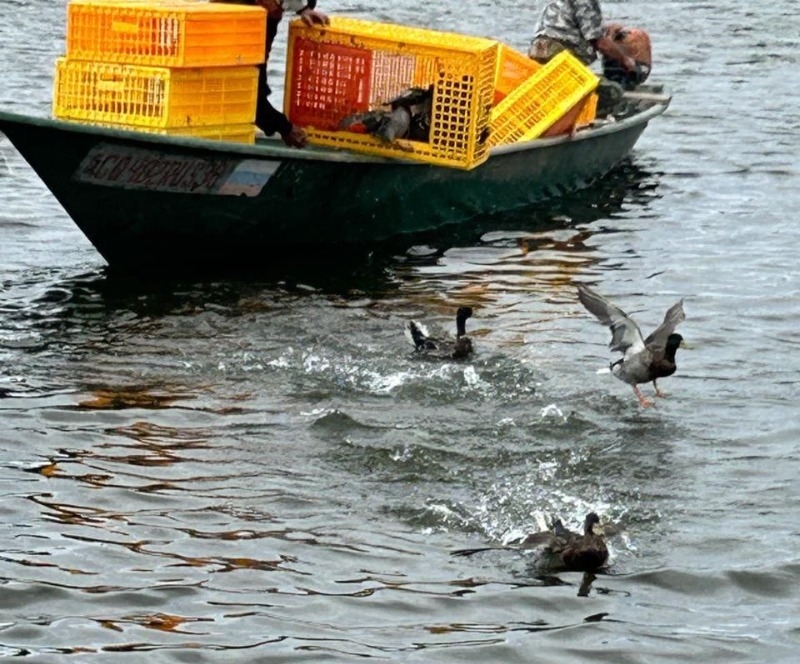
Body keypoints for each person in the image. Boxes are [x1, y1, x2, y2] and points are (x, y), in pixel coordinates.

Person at [214, 0, 330, 147]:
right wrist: (285, 128)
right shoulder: (248, 29)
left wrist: (303, 10)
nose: (280, 13)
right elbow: (246, 97)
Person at [528, 0, 649, 114]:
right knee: (613, 92)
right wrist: (626, 60)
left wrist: (604, 31)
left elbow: (571, 28)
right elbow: (600, 44)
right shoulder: (586, 2)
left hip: (541, 61)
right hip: (561, 63)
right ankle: (588, 117)